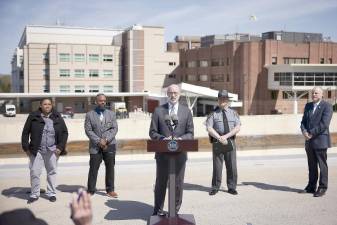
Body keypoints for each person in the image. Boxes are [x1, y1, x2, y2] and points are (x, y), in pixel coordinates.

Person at [149, 84, 194, 216]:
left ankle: (174, 211)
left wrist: (180, 139)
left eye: (175, 93)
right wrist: (163, 139)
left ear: (179, 94)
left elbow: (190, 133)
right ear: (167, 94)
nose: (173, 95)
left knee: (178, 184)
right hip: (162, 154)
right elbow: (152, 132)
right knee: (160, 184)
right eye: (170, 93)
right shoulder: (158, 111)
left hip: (180, 155)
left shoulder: (186, 111)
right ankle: (158, 211)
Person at [21, 98, 68, 204]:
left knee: (52, 172)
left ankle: (51, 193)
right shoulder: (33, 116)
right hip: (36, 150)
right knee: (35, 173)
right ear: (40, 105)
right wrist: (26, 148)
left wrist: (60, 147)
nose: (47, 106)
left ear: (52, 105)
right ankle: (34, 194)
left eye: (49, 104)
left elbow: (65, 132)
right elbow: (25, 133)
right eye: (45, 104)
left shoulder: (57, 116)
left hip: (52, 150)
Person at [206, 90, 241, 196]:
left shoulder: (234, 113)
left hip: (230, 140)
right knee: (217, 166)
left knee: (232, 165)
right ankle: (215, 187)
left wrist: (226, 137)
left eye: (224, 99)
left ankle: (232, 187)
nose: (222, 100)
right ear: (218, 100)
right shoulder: (212, 113)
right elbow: (209, 128)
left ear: (227, 100)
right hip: (217, 141)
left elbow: (237, 127)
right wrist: (220, 137)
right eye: (220, 98)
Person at [300, 87, 333, 197]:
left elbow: (324, 124)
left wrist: (310, 133)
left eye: (316, 93)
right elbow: (303, 121)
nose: (313, 94)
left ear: (321, 94)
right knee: (312, 165)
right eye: (312, 93)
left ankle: (322, 187)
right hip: (309, 141)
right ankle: (311, 186)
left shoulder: (327, 106)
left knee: (322, 165)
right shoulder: (308, 106)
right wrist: (304, 131)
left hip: (320, 140)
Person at [84, 93, 118, 197]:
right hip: (95, 146)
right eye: (100, 100)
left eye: (104, 100)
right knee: (93, 168)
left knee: (110, 168)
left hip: (110, 144)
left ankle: (110, 190)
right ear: (96, 101)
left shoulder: (111, 114)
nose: (102, 102)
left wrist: (106, 139)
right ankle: (90, 190)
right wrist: (99, 141)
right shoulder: (90, 114)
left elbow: (114, 129)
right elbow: (88, 130)